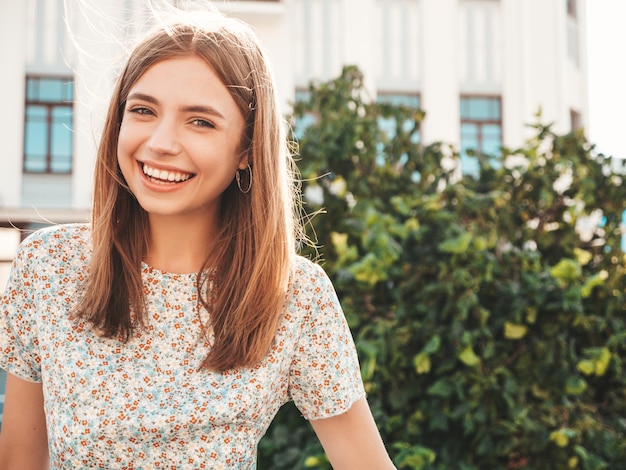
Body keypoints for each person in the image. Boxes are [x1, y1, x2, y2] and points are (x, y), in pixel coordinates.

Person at [0, 4, 396, 469]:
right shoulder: (49, 266)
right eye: (143, 110)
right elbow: (18, 461)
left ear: (246, 149)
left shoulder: (295, 296)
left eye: (201, 121)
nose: (162, 142)